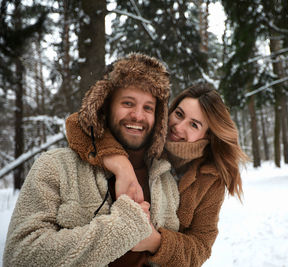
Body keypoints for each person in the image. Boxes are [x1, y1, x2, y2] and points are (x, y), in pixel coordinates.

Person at [3, 53, 180, 267]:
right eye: (128, 103)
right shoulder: (56, 166)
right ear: (105, 106)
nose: (138, 116)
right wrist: (123, 228)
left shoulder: (165, 180)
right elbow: (19, 257)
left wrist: (157, 244)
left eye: (148, 108)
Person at [64, 83, 248, 266]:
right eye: (179, 114)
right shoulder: (146, 133)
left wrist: (155, 242)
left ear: (207, 136)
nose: (178, 127)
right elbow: (77, 123)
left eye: (193, 124)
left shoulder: (210, 179)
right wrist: (120, 164)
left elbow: (200, 247)